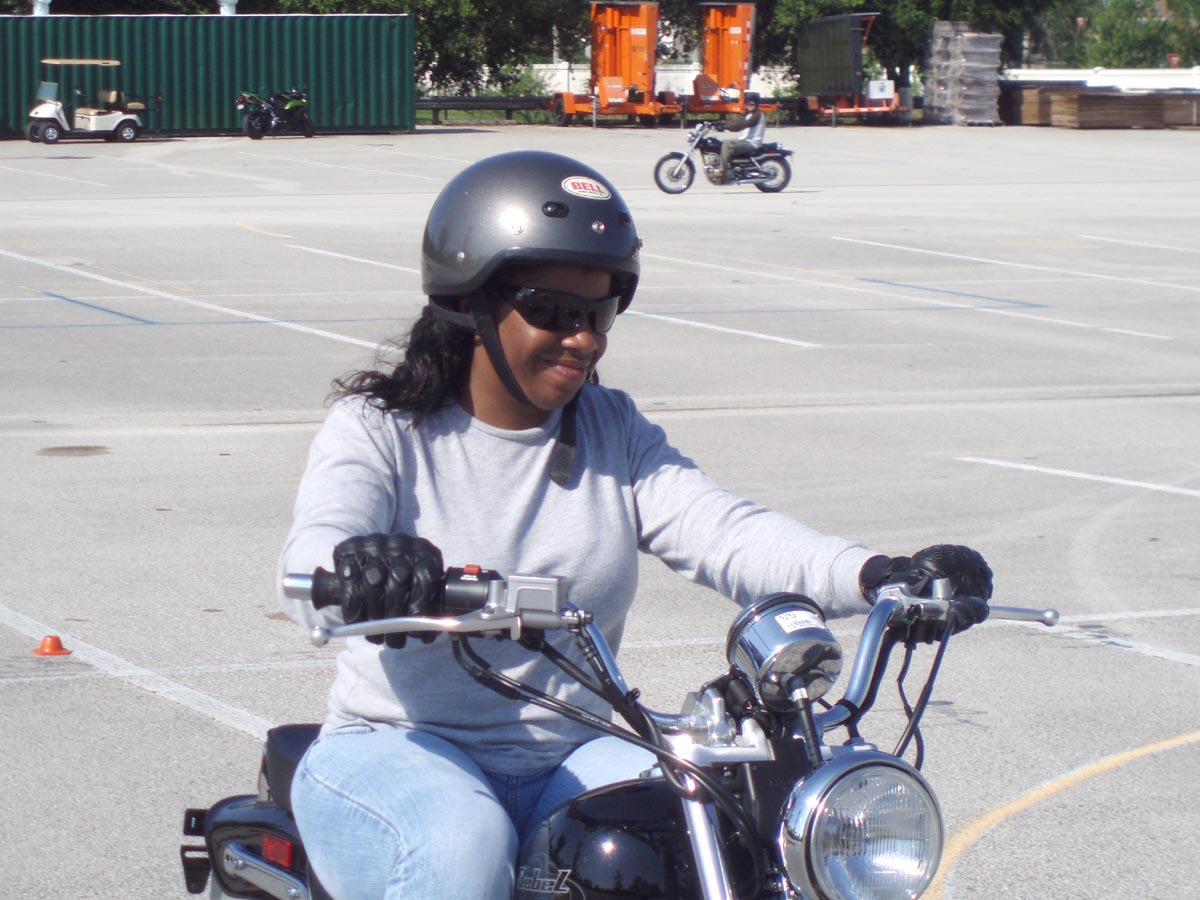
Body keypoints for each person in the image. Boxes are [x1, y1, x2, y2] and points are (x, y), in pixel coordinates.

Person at [277, 150, 992, 900]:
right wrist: (363, 568)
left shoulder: (610, 428)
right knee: (461, 848)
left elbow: (725, 530)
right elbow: (314, 553)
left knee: (714, 826)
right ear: (470, 301)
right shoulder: (380, 429)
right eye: (554, 311)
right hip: (399, 745)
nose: (585, 338)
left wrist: (878, 575)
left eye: (599, 312)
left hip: (575, 751)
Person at [718, 94, 767, 180]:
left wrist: (726, 127)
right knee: (721, 143)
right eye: (747, 103)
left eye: (752, 104)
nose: (749, 105)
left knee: (727, 144)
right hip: (745, 140)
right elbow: (738, 122)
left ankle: (722, 171)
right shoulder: (749, 114)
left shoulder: (757, 115)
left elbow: (743, 125)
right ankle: (729, 166)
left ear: (756, 104)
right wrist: (722, 123)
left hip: (752, 143)